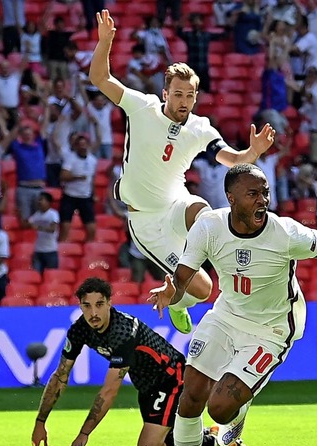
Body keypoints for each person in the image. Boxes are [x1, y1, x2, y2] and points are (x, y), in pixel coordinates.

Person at [150, 163, 317, 446]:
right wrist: (169, 294)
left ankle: (239, 407)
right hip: (226, 315)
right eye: (253, 194)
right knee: (190, 397)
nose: (263, 200)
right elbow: (182, 278)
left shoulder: (285, 233)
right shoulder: (208, 226)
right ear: (231, 198)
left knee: (219, 410)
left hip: (272, 329)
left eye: (265, 192)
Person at [89, 9, 276, 335]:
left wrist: (253, 153)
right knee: (202, 290)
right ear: (165, 94)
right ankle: (178, 302)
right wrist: (105, 42)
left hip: (177, 205)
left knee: (202, 209)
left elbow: (231, 158)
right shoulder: (142, 107)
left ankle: (234, 268)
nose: (184, 101)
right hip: (148, 223)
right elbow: (100, 79)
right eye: (178, 94)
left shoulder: (200, 128)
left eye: (190, 95)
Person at [30, 277, 246, 446]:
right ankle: (208, 433)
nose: (93, 312)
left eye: (99, 304)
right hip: (146, 386)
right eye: (87, 306)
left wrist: (84, 434)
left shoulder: (123, 332)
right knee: (159, 441)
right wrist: (41, 421)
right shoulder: (79, 331)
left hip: (172, 377)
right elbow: (61, 376)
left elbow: (109, 391)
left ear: (109, 304)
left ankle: (213, 440)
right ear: (80, 306)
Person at [27, 192, 60, 275]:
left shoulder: (53, 214)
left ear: (48, 202)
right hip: (38, 250)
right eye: (39, 200)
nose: (39, 202)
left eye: (41, 199)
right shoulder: (36, 215)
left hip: (51, 250)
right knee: (36, 275)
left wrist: (39, 227)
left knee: (52, 276)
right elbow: (28, 223)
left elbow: (53, 229)